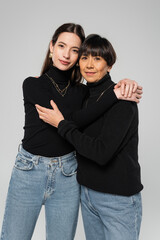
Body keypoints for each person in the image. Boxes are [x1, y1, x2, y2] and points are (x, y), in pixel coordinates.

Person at [0, 22, 142, 240]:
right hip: (30, 170)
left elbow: (82, 113)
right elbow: (74, 120)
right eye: (61, 46)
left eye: (75, 50)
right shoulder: (32, 85)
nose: (66, 54)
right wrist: (115, 94)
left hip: (68, 174)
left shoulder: (83, 93)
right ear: (51, 47)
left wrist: (120, 86)